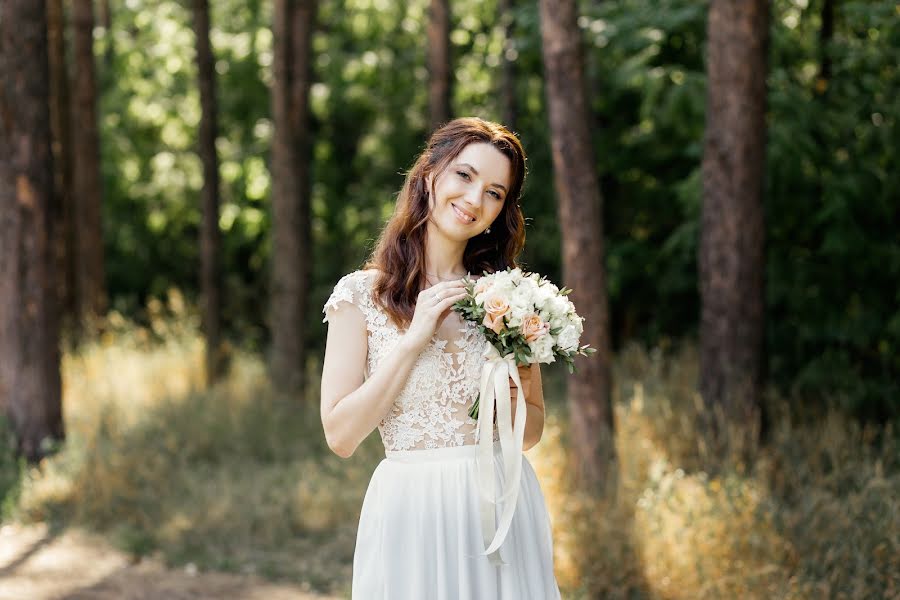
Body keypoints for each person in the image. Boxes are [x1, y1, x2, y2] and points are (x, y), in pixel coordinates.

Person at [320, 117, 561, 599]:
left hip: (503, 508)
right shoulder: (361, 296)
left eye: (495, 192)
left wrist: (512, 397)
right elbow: (340, 435)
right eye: (464, 176)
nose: (474, 200)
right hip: (414, 513)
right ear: (430, 175)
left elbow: (531, 432)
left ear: (501, 211)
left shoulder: (509, 299)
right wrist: (412, 344)